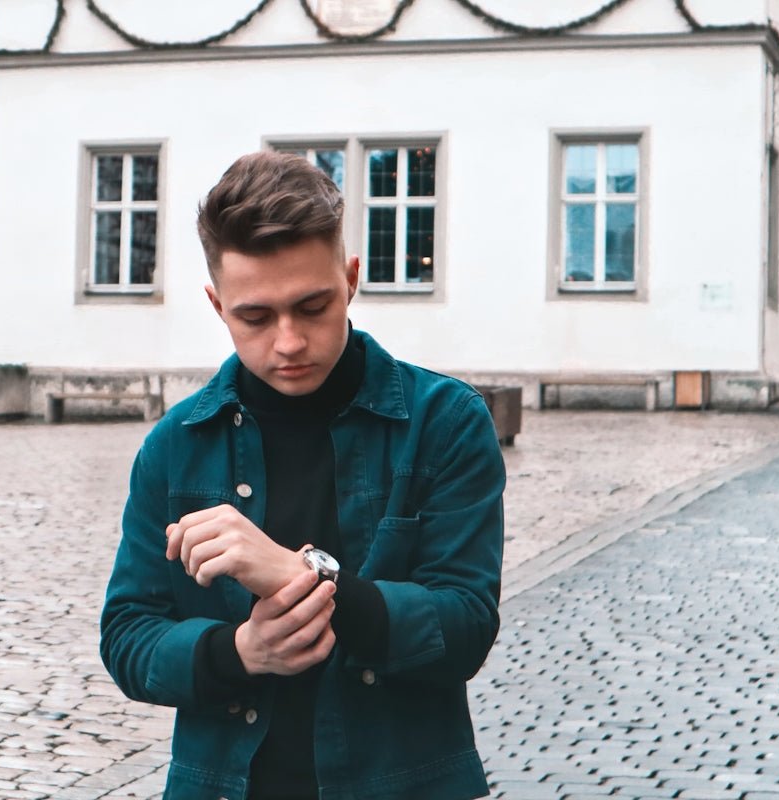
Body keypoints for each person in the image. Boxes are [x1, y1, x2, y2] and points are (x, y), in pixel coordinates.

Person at [100, 151, 506, 800]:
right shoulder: (174, 446)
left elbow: (464, 628)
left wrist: (302, 576)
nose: (288, 341)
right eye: (255, 318)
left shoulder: (444, 422)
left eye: (313, 307)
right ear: (217, 305)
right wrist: (237, 652)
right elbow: (126, 636)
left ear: (350, 280)